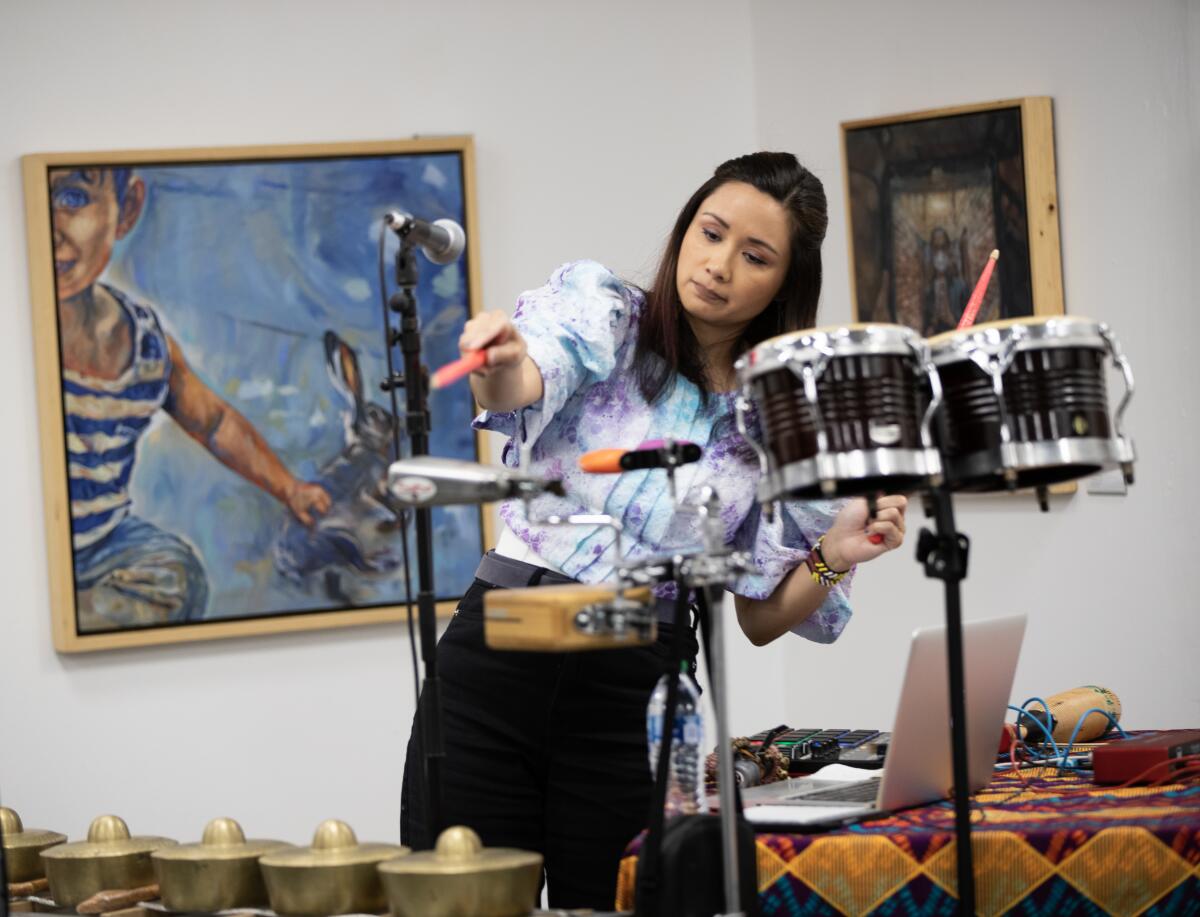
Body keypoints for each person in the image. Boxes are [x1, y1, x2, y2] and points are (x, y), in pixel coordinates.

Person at [400, 152, 907, 908]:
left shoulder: (777, 421)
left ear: (784, 284)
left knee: (621, 902)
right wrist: (498, 360)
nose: (718, 265)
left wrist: (834, 552)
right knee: (461, 903)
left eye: (754, 256)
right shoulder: (606, 314)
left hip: (638, 689)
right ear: (686, 227)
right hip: (501, 649)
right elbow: (524, 377)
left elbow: (762, 616)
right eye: (711, 233)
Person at [52, 167, 331, 631]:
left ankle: (81, 612)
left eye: (73, 198)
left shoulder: (144, 341)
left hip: (103, 543)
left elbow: (214, 423)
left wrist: (290, 488)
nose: (50, 228)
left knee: (177, 572)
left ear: (128, 210)